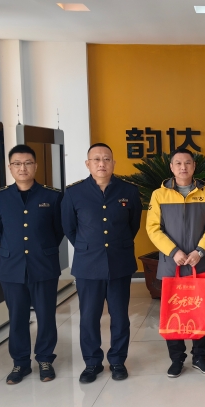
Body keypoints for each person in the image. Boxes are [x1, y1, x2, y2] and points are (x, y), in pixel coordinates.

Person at [62, 143, 142, 383]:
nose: (101, 163)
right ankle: (92, 363)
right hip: (88, 265)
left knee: (120, 316)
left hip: (120, 262)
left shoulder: (129, 191)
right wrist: (89, 247)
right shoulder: (74, 193)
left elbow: (133, 225)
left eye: (106, 159)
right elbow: (70, 228)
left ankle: (117, 360)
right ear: (87, 164)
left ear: (113, 163)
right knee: (89, 317)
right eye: (96, 159)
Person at [0, 144, 64, 385]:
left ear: (36, 166)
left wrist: (40, 249)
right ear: (10, 167)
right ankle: (20, 362)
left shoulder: (52, 196)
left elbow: (58, 230)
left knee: (46, 315)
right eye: (17, 164)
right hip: (11, 267)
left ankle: (45, 359)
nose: (23, 168)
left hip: (43, 265)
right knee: (17, 317)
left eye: (28, 163)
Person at [146, 148, 205, 378]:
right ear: (171, 167)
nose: (183, 167)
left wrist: (200, 251)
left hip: (199, 262)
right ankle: (176, 359)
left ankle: (199, 357)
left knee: (199, 311)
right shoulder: (159, 195)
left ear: (194, 166)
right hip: (171, 264)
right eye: (178, 163)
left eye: (187, 162)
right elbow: (153, 228)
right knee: (174, 312)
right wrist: (173, 251)